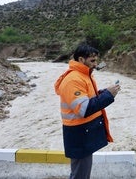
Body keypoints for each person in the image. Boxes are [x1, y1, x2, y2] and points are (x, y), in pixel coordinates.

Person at [54, 43, 120, 179]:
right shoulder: (73, 80)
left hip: (83, 131)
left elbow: (87, 98)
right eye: (92, 61)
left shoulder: (84, 75)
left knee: (81, 172)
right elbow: (84, 109)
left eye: (96, 60)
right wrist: (108, 95)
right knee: (80, 175)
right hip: (78, 134)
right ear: (81, 60)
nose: (96, 64)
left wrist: (104, 92)